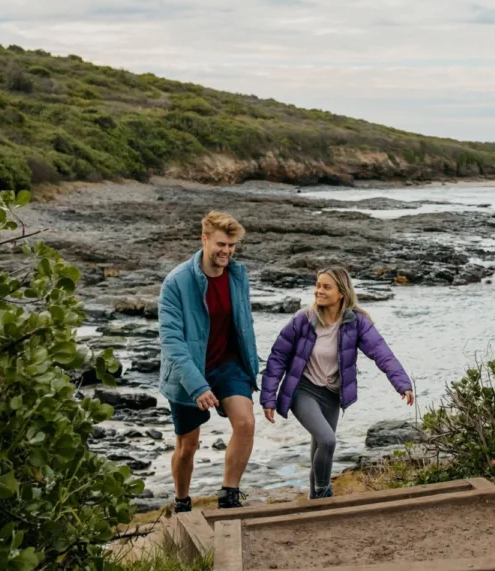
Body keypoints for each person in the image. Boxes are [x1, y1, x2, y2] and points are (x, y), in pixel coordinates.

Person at [260, 266, 414, 499]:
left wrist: (402, 384)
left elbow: (382, 353)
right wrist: (268, 398)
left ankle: (315, 505)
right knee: (328, 440)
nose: (318, 291)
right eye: (318, 285)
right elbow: (278, 357)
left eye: (326, 287)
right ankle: (324, 492)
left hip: (332, 394)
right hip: (303, 391)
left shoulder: (357, 322)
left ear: (341, 293)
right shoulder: (304, 319)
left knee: (320, 448)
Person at [158, 211, 260, 511]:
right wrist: (197, 386)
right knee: (187, 448)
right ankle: (182, 501)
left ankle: (228, 496)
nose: (226, 251)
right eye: (220, 244)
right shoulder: (176, 283)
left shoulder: (238, 277)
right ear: (204, 240)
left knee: (245, 422)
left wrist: (253, 367)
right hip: (188, 373)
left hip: (228, 365)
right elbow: (172, 343)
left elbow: (245, 324)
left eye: (231, 245)